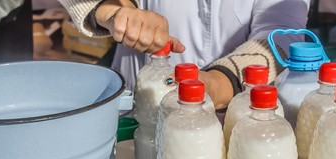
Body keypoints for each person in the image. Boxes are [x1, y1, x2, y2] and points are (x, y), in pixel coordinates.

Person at [58, 0, 310, 111]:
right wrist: (113, 11)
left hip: (233, 121)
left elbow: (280, 37)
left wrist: (219, 83)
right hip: (138, 117)